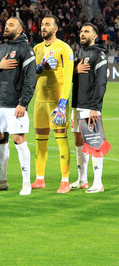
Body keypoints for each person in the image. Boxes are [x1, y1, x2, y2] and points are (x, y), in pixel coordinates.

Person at [0, 17, 37, 196]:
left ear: (20, 30)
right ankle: (1, 181)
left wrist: (23, 103)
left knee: (19, 140)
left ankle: (26, 183)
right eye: (6, 25)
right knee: (0, 141)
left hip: (15, 104)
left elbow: (30, 79)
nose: (6, 27)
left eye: (11, 25)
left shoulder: (26, 51)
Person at [32, 15, 74, 193]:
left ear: (55, 28)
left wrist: (63, 104)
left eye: (47, 24)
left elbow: (69, 76)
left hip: (57, 101)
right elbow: (31, 73)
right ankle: (39, 179)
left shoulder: (64, 48)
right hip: (40, 100)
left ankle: (65, 181)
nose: (43, 27)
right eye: (42, 24)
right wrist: (40, 67)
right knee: (40, 140)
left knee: (60, 139)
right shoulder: (37, 48)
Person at [70, 23, 109, 193]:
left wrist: (95, 107)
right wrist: (75, 70)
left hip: (90, 106)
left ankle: (98, 183)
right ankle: (82, 179)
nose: (82, 34)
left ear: (95, 36)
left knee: (94, 143)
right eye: (81, 31)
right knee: (79, 141)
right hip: (76, 105)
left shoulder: (99, 55)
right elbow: (70, 77)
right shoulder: (79, 53)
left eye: (86, 31)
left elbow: (101, 83)